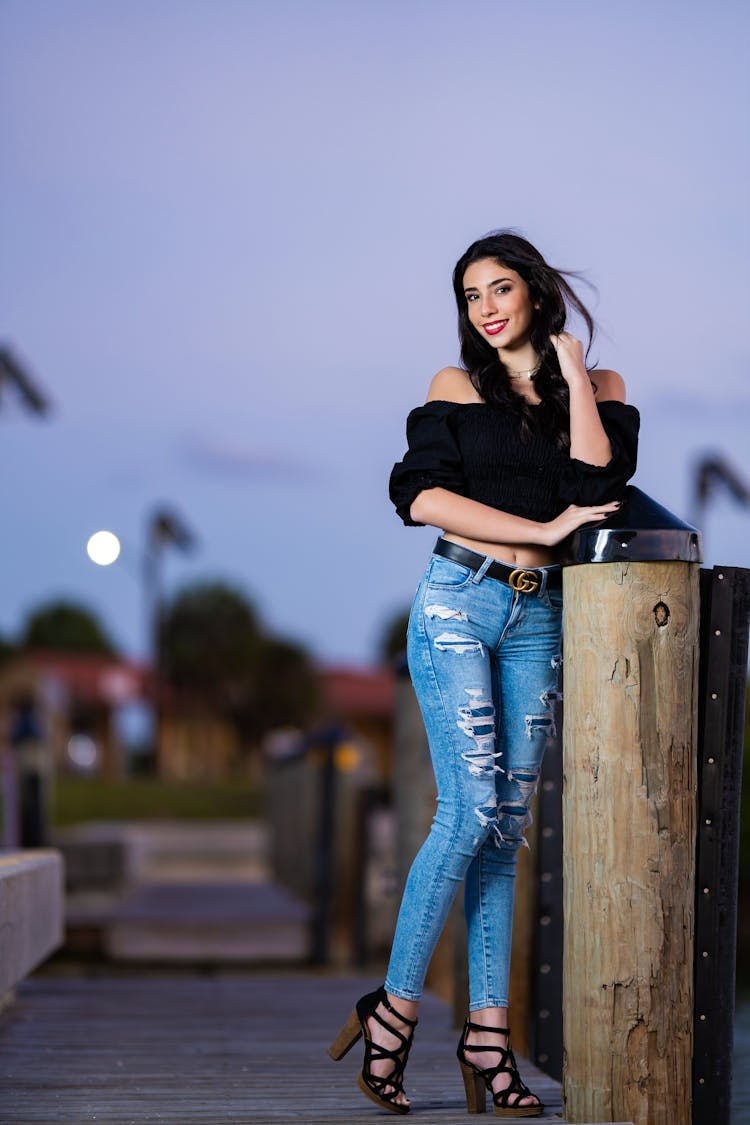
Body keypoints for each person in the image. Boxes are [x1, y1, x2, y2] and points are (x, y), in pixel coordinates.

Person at [328, 230, 639, 1116]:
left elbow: (600, 475)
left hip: (539, 618)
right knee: (466, 810)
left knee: (504, 828)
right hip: (459, 601)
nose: (487, 308)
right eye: (471, 295)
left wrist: (575, 375)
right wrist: (539, 531)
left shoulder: (602, 390)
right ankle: (394, 1010)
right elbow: (419, 497)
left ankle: (487, 1039)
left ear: (537, 294)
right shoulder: (455, 388)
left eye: (502, 289)